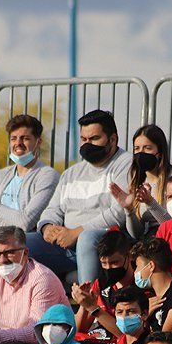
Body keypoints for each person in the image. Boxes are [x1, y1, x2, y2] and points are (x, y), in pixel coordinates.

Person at [29, 110, 131, 283]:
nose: (87, 144)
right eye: (84, 139)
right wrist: (47, 227)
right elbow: (53, 209)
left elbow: (119, 213)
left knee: (87, 238)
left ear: (113, 139)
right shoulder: (71, 173)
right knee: (18, 243)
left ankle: (89, 304)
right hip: (64, 245)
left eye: (94, 139)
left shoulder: (126, 163)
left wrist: (77, 233)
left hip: (104, 243)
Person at [0, 114, 60, 232]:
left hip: (25, 241)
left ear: (38, 142)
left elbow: (25, 222)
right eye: (13, 138)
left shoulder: (47, 176)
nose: (18, 143)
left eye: (25, 138)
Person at [109, 124, 172, 238]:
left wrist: (150, 202)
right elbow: (136, 234)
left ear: (160, 152)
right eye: (137, 148)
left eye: (147, 148)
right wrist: (129, 209)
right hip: (146, 242)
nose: (141, 153)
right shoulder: (136, 180)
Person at [71, 230, 138, 340]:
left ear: (129, 256)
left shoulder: (139, 287)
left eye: (114, 262)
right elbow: (79, 330)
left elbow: (127, 337)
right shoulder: (101, 284)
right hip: (97, 343)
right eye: (104, 263)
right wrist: (83, 303)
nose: (108, 268)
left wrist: (93, 307)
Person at [130, 237, 172, 332]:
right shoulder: (151, 301)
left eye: (137, 266)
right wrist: (145, 316)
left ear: (151, 266)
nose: (135, 272)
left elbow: (164, 339)